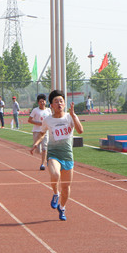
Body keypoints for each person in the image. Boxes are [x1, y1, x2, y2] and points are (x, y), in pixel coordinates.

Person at [30, 90, 84, 221]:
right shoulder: (48, 120)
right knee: (55, 175)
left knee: (66, 187)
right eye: (56, 101)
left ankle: (62, 207)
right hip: (53, 154)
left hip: (68, 156)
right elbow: (42, 133)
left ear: (64, 104)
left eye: (61, 101)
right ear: (52, 105)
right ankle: (55, 193)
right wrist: (36, 143)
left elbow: (80, 131)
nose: (59, 103)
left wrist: (73, 115)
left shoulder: (70, 117)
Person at [28, 94, 51, 170]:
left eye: (43, 101)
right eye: (40, 102)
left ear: (45, 102)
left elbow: (51, 119)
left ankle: (42, 164)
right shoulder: (35, 110)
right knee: (38, 150)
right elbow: (29, 120)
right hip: (36, 131)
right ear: (38, 102)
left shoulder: (48, 110)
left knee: (45, 148)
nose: (42, 103)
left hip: (45, 132)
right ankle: (42, 156)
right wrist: (38, 123)